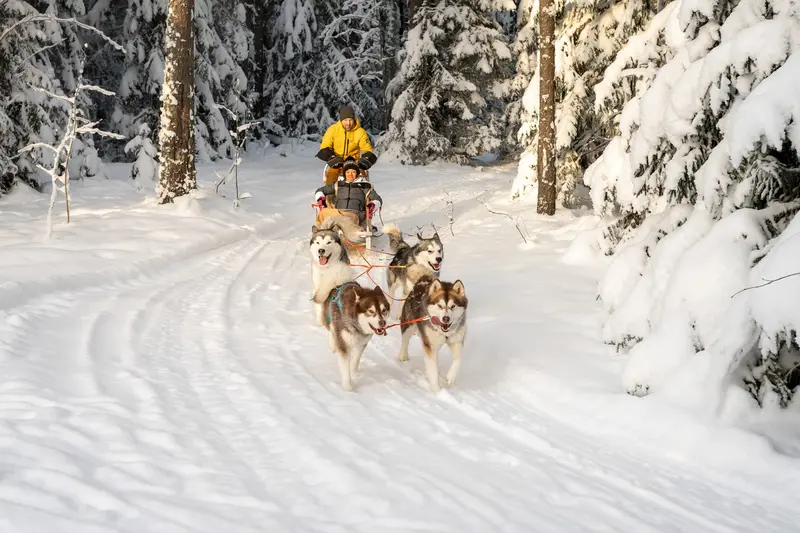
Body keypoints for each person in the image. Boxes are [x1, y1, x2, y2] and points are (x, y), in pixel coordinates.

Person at [314, 157, 382, 230]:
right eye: (348, 172)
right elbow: (320, 190)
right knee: (323, 213)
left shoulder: (365, 185)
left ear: (357, 173)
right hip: (338, 212)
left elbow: (378, 199)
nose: (350, 174)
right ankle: (321, 234)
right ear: (344, 173)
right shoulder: (338, 184)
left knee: (342, 219)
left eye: (353, 172)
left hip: (355, 213)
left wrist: (373, 205)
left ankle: (336, 230)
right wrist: (321, 199)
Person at [316, 106, 378, 184]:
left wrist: (366, 159)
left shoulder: (360, 132)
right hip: (337, 162)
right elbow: (325, 146)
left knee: (362, 180)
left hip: (354, 162)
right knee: (330, 179)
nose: (348, 123)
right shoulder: (333, 130)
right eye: (345, 120)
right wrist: (331, 157)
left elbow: (367, 149)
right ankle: (330, 195)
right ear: (341, 120)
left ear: (354, 119)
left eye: (350, 120)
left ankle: (362, 194)